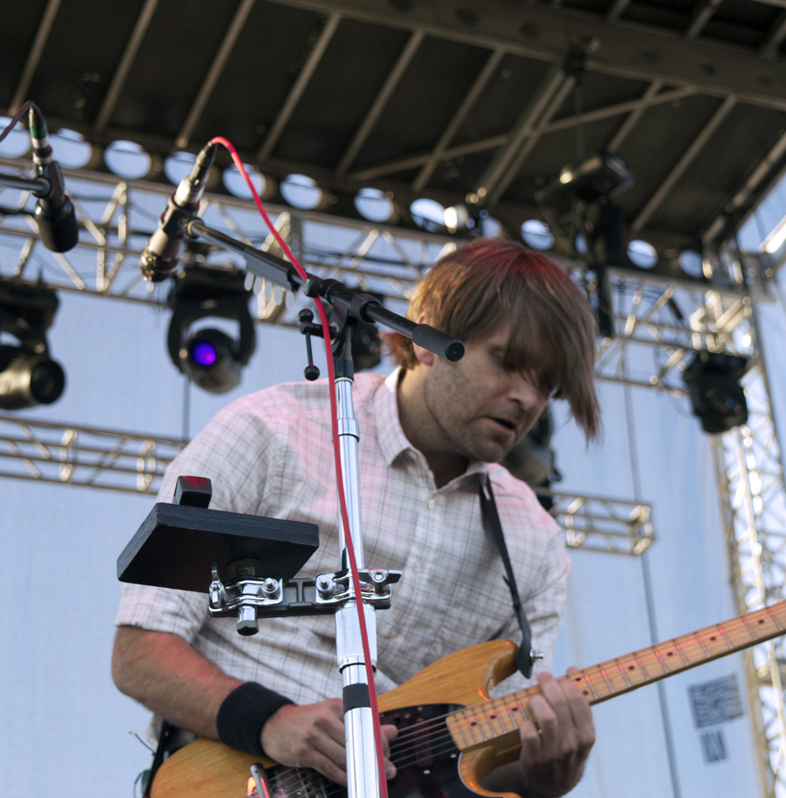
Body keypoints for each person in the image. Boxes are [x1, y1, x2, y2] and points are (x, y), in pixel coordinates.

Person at [112, 238, 601, 796]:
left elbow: (492, 752)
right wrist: (271, 722)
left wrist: (544, 775)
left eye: (546, 384)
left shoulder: (536, 543)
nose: (527, 398)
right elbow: (140, 652)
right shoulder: (270, 430)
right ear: (427, 340)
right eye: (508, 363)